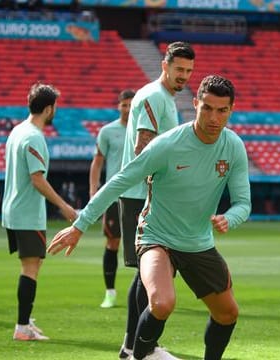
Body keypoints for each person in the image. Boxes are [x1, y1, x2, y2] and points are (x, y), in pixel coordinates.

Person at [48, 75, 251, 360]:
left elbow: (243, 203)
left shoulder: (233, 147)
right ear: (195, 104)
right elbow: (119, 181)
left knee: (228, 313)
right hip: (157, 237)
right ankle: (139, 355)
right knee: (162, 302)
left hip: (197, 242)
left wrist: (230, 218)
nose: (213, 117)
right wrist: (80, 224)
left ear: (231, 110)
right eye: (207, 108)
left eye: (221, 110)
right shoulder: (168, 145)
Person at [116, 41, 195, 359]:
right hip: (141, 195)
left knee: (145, 273)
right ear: (165, 65)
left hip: (144, 194)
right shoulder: (153, 97)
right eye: (179, 69)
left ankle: (133, 346)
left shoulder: (164, 98)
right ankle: (140, 347)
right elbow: (143, 149)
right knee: (147, 272)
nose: (184, 76)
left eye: (189, 71)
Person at [1, 82, 78, 341]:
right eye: (54, 106)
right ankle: (22, 327)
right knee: (31, 268)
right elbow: (37, 179)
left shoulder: (17, 131)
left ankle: (26, 318)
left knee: (33, 264)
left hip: (13, 209)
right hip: (26, 213)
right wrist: (64, 206)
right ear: (48, 109)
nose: (55, 110)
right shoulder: (34, 136)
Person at [89, 89, 135, 308]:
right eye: (124, 104)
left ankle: (145, 293)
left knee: (146, 244)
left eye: (130, 104)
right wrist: (93, 192)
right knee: (112, 242)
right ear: (119, 106)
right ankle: (110, 292)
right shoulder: (108, 131)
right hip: (114, 195)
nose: (127, 108)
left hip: (139, 194)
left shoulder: (143, 130)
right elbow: (97, 162)